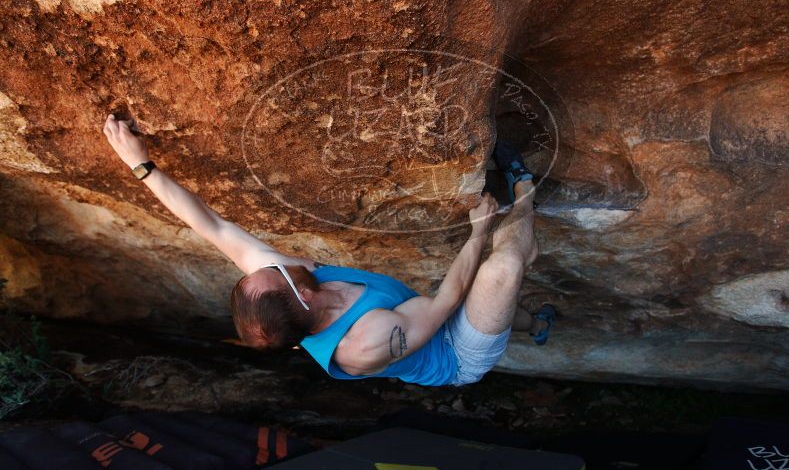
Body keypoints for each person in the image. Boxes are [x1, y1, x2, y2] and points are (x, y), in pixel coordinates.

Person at [103, 114, 547, 386]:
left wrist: (140, 166)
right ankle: (524, 186)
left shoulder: (287, 288)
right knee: (501, 270)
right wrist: (478, 233)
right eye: (278, 271)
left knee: (502, 309)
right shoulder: (362, 345)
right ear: (305, 297)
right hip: (455, 354)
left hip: (418, 314)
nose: (276, 260)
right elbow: (446, 301)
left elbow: (211, 226)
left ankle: (537, 323)